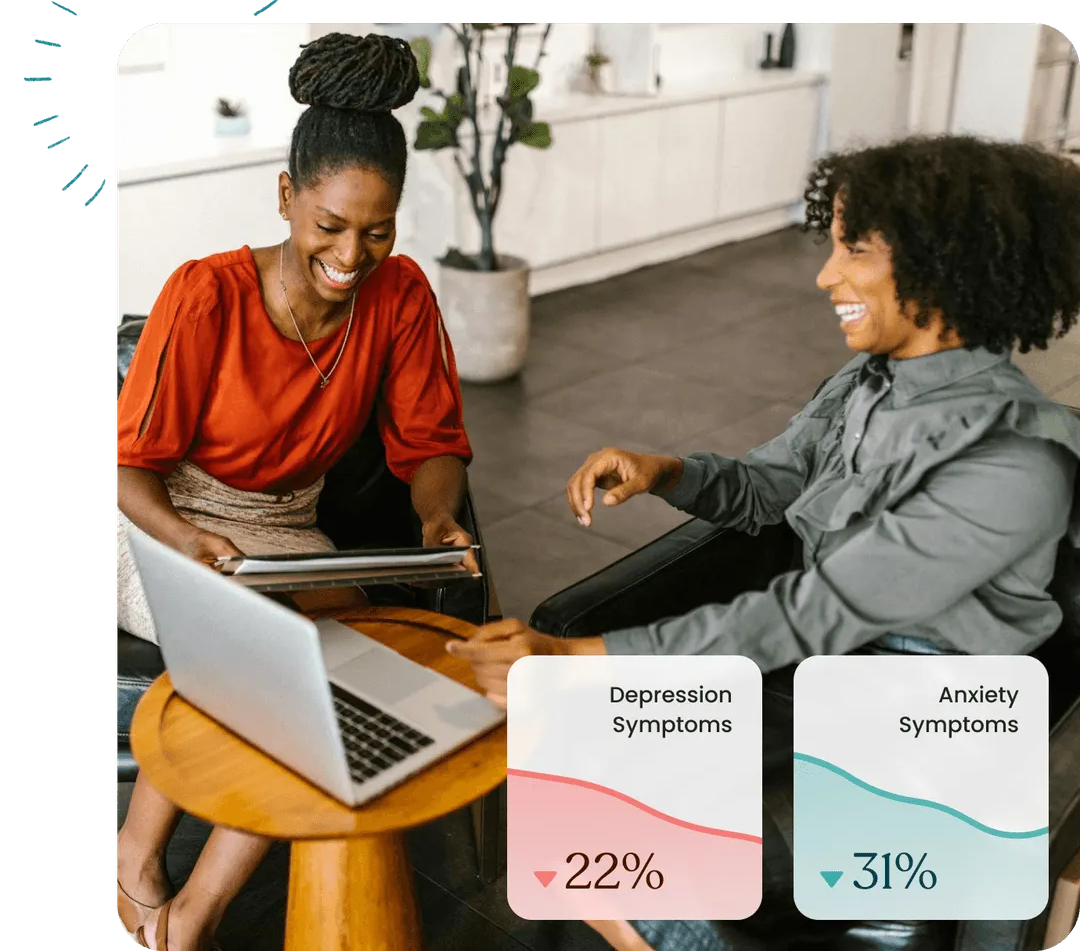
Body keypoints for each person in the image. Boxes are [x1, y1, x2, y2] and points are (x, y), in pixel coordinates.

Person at [448, 135, 1080, 951]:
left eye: (854, 249)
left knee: (632, 862)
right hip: (822, 687)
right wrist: (667, 471)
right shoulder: (866, 385)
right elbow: (769, 487)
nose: (825, 275)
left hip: (931, 738)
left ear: (941, 265)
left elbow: (817, 609)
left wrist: (576, 660)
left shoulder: (1017, 459)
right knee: (573, 805)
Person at [115, 32, 477, 951]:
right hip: (163, 520)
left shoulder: (401, 297)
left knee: (352, 670)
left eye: (378, 230)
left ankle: (190, 913)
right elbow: (128, 469)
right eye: (330, 225)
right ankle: (138, 864)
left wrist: (437, 514)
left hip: (284, 528)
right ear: (286, 197)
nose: (353, 253)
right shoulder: (205, 295)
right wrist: (186, 542)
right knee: (260, 659)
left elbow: (433, 443)